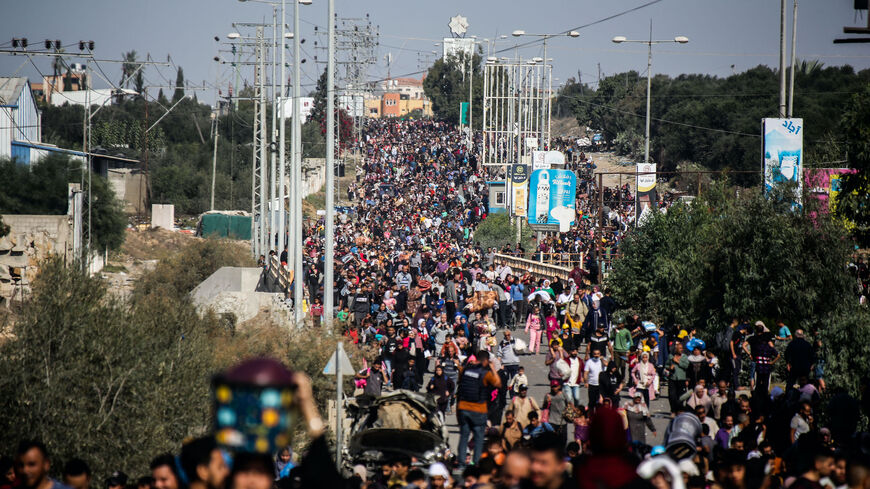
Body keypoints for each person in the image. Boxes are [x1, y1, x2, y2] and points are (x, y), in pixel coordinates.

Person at [456, 350, 502, 469]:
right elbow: (498, 383)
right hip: (478, 409)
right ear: (486, 361)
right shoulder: (484, 372)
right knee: (478, 437)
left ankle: (461, 464)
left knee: (464, 436)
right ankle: (476, 464)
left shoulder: (465, 369)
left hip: (463, 407)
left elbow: (460, 381)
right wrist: (492, 368)